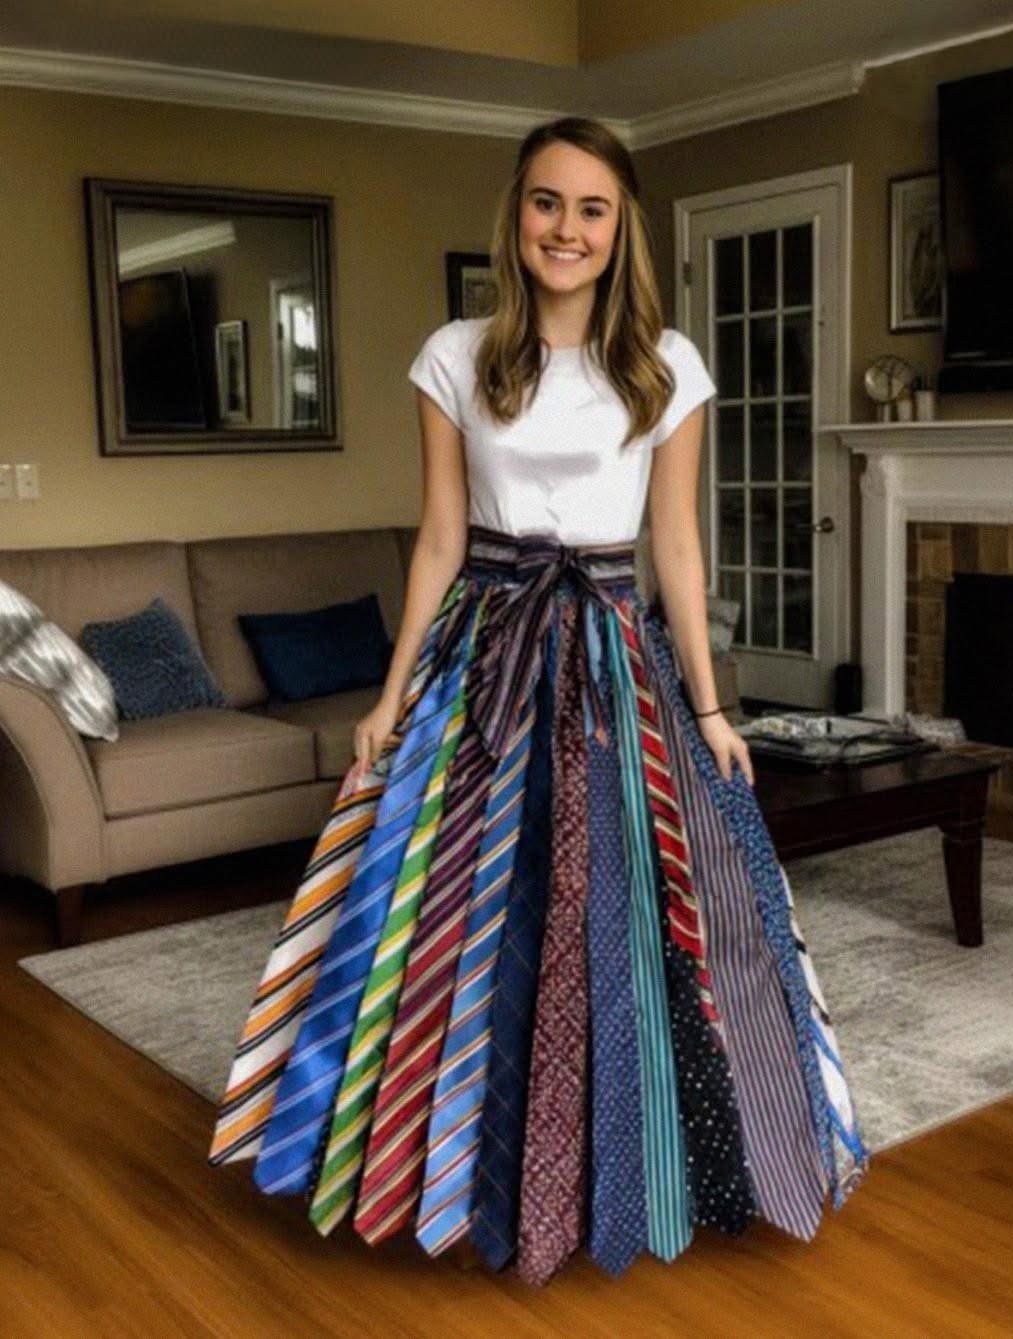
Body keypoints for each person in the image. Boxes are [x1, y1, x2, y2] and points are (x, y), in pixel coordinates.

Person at [208, 115, 869, 1288]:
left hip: (615, 658)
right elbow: (438, 539)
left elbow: (676, 546)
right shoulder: (456, 356)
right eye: (547, 202)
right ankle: (452, 1164)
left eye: (592, 209)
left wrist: (713, 710)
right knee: (457, 914)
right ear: (517, 214)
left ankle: (654, 1163)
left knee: (639, 907)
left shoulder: (667, 364)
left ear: (622, 231)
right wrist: (392, 694)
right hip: (487, 650)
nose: (567, 228)